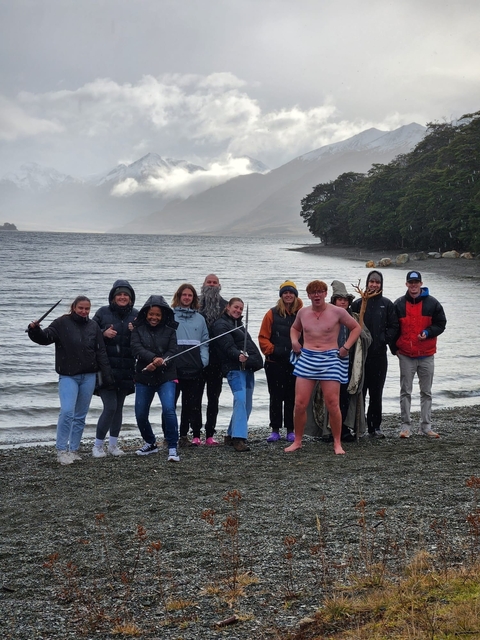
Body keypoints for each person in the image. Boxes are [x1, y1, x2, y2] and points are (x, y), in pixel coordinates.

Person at [28, 296, 113, 465]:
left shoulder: (93, 326)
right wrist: (34, 330)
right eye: (81, 308)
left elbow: (101, 352)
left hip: (89, 375)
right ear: (73, 307)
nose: (84, 311)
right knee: (67, 411)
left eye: (87, 309)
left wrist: (107, 375)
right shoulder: (61, 323)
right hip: (68, 376)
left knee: (80, 415)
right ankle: (61, 450)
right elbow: (45, 338)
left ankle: (73, 450)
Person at [284, 280, 361, 455]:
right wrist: (295, 341)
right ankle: (297, 441)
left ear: (326, 294)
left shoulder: (337, 312)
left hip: (330, 358)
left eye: (320, 292)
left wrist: (346, 347)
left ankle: (337, 443)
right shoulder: (303, 313)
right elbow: (294, 329)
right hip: (308, 358)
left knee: (333, 403)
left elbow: (356, 328)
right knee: (299, 403)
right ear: (309, 295)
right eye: (313, 293)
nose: (316, 295)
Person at [392, 270, 447, 438]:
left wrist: (428, 332)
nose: (413, 285)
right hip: (406, 355)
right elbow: (393, 328)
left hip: (426, 354)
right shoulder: (399, 304)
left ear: (421, 284)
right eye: (411, 282)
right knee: (405, 391)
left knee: (426, 392)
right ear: (407, 284)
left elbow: (441, 324)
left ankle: (426, 426)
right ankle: (405, 427)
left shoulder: (433, 303)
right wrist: (393, 348)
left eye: (416, 282)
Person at [130, 295, 180, 462]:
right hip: (144, 375)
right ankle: (150, 443)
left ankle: (173, 446)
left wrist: (160, 361)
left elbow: (173, 351)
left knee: (168, 410)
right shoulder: (138, 329)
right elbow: (136, 348)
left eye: (158, 315)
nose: (154, 317)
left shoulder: (170, 329)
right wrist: (152, 358)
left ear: (163, 315)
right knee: (140, 413)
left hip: (167, 376)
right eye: (151, 314)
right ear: (146, 313)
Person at [91, 280, 138, 458]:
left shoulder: (136, 315)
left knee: (118, 408)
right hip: (105, 368)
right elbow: (90, 333)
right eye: (119, 294)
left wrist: (137, 330)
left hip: (126, 368)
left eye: (126, 294)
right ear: (113, 297)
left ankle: (113, 445)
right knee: (110, 407)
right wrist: (103, 333)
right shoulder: (103, 312)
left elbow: (144, 339)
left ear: (131, 298)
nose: (122, 297)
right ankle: (97, 446)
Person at [351, 270, 398, 438]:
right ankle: (359, 426)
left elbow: (394, 326)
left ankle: (375, 427)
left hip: (379, 356)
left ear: (381, 284)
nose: (374, 285)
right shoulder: (357, 303)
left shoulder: (387, 304)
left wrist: (383, 339)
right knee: (359, 393)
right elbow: (349, 325)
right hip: (360, 357)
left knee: (376, 393)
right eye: (371, 281)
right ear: (367, 283)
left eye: (377, 282)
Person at [211, 298, 263, 452]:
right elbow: (227, 346)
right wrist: (238, 355)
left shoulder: (239, 325)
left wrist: (251, 360)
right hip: (234, 368)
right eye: (236, 307)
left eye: (241, 308)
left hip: (247, 368)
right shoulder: (221, 325)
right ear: (228, 307)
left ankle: (231, 433)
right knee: (240, 400)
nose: (238, 311)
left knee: (247, 403)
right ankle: (238, 439)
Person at [258, 280, 303, 442]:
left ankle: (291, 429)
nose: (288, 295)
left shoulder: (303, 313)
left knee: (293, 397)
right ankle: (275, 429)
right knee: (275, 397)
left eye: (291, 292)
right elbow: (262, 337)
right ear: (281, 295)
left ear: (295, 295)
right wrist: (273, 350)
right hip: (274, 363)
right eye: (285, 292)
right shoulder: (271, 313)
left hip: (296, 363)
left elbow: (309, 335)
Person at [330, 280, 372, 440]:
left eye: (345, 299)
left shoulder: (355, 317)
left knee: (346, 397)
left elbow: (369, 339)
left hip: (349, 364)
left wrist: (360, 334)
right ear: (334, 301)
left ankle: (344, 429)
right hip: (328, 364)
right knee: (330, 397)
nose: (342, 301)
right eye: (339, 299)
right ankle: (329, 430)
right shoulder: (326, 316)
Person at [171, 283, 210, 446]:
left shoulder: (200, 318)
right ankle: (170, 436)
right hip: (174, 369)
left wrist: (203, 361)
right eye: (184, 295)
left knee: (189, 404)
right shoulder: (170, 316)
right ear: (179, 296)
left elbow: (205, 342)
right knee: (170, 404)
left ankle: (183, 436)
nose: (187, 298)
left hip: (194, 368)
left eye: (190, 295)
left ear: (194, 298)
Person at [199, 274, 228, 443]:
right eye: (209, 282)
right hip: (196, 360)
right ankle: (194, 433)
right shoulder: (195, 304)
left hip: (217, 360)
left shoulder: (225, 306)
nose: (211, 285)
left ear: (219, 285)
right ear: (203, 284)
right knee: (194, 398)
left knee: (213, 398)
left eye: (214, 283)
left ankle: (210, 433)